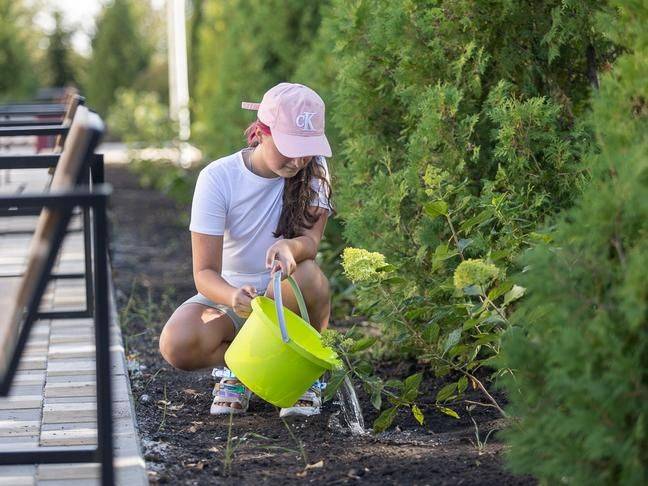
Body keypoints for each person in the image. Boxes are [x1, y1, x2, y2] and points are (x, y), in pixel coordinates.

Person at [159, 82, 334, 418]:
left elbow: (310, 243)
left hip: (287, 296)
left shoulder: (314, 170)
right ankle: (241, 371)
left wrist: (289, 247)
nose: (298, 159)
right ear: (260, 132)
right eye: (289, 146)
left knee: (307, 276)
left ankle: (303, 376)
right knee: (176, 343)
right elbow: (204, 273)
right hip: (235, 297)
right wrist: (232, 296)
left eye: (306, 147)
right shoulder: (219, 178)